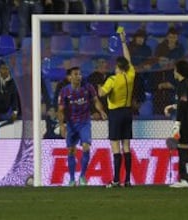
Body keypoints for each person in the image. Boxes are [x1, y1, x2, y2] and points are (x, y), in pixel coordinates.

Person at [57, 66, 107, 186]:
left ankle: (83, 176)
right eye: (75, 74)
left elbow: (95, 100)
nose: (78, 76)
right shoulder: (65, 91)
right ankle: (72, 179)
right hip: (71, 124)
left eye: (79, 74)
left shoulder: (88, 87)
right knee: (71, 150)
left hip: (84, 122)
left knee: (86, 146)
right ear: (70, 77)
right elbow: (60, 110)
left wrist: (101, 111)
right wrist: (62, 126)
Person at [98, 30, 135, 187]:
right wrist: (123, 41)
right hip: (128, 112)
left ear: (118, 67)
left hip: (115, 113)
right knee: (126, 146)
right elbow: (129, 59)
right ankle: (127, 180)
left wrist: (99, 86)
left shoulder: (112, 79)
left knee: (115, 147)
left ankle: (115, 179)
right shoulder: (131, 75)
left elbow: (102, 93)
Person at [169, 59, 188, 188]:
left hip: (185, 120)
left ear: (179, 71)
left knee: (183, 149)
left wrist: (177, 123)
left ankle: (185, 179)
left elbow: (182, 105)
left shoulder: (182, 85)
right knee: (184, 148)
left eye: (175, 69)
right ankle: (187, 178)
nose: (174, 72)